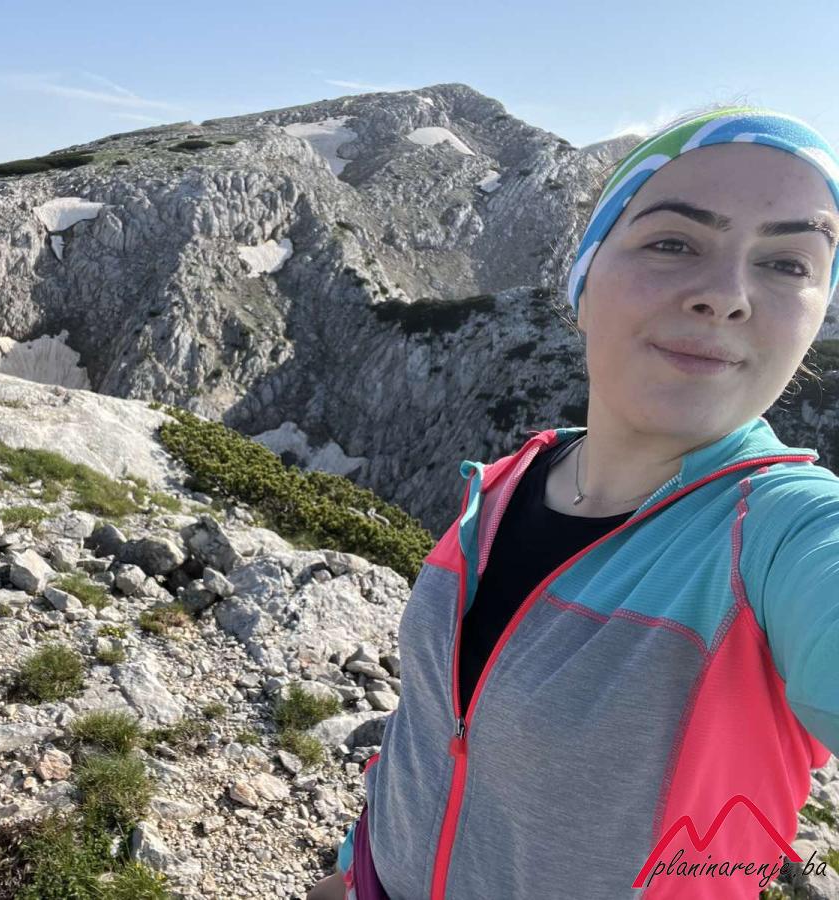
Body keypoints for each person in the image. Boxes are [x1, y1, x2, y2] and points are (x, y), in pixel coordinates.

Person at [307, 106, 839, 899]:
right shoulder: (501, 487)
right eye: (673, 243)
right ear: (584, 284)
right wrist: (359, 869)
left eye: (789, 263)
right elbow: (431, 729)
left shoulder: (782, 533)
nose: (727, 296)